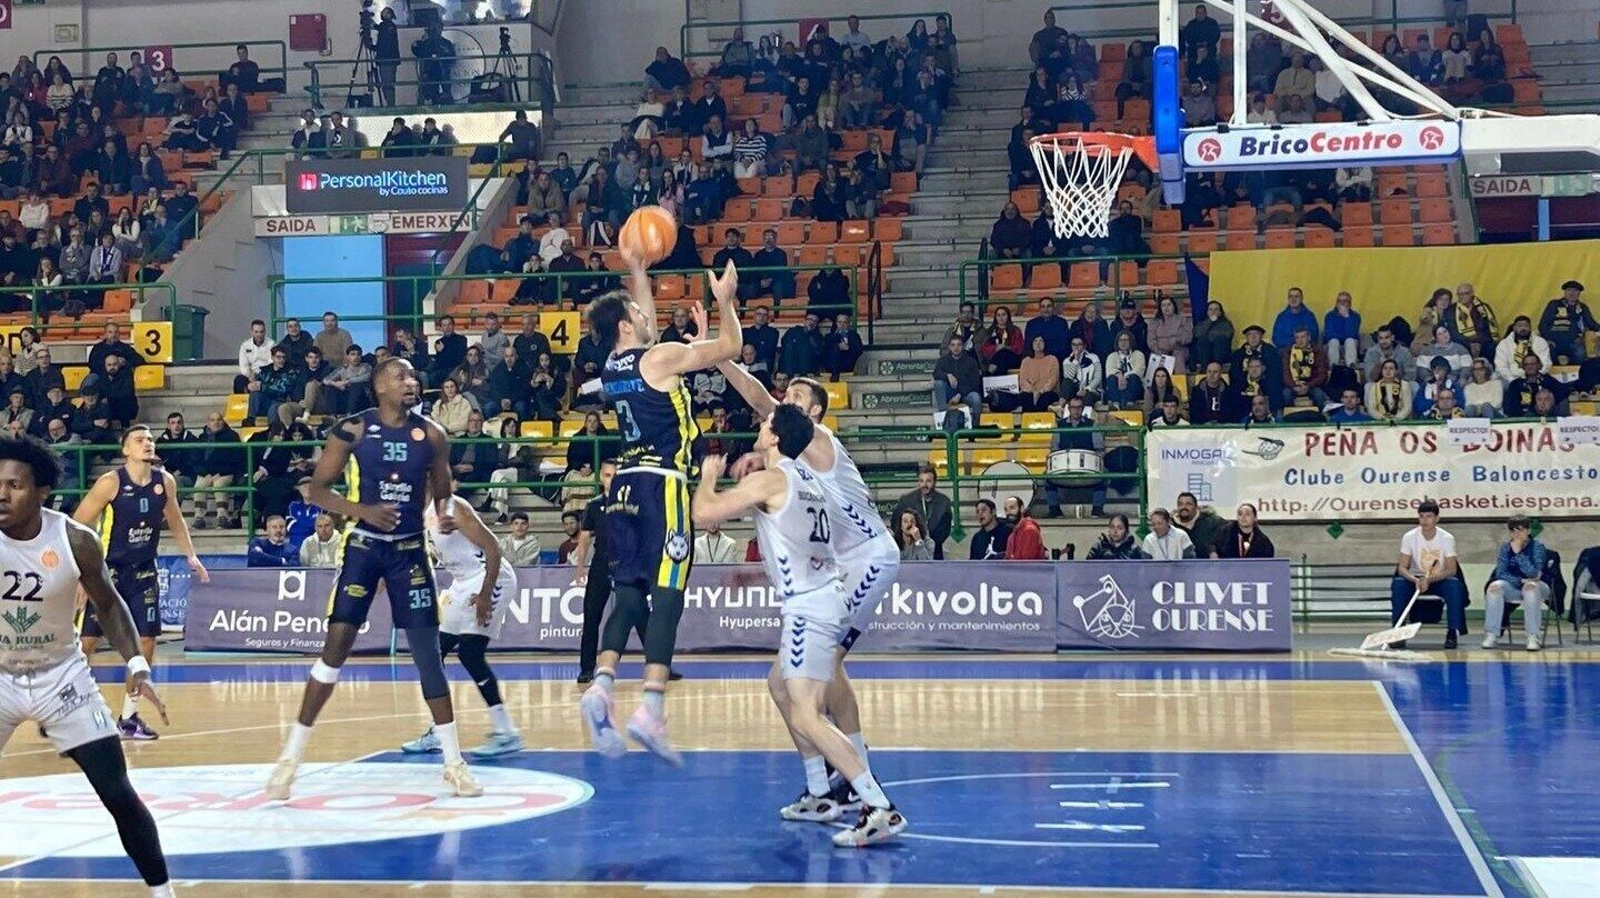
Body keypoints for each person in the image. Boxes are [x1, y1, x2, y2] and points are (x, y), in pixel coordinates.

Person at [266, 358, 481, 800]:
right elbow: (319, 490)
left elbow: (443, 493)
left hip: (409, 552)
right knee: (334, 652)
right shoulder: (353, 430)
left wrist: (441, 515)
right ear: (380, 386)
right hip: (363, 547)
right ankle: (290, 758)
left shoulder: (433, 434)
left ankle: (454, 764)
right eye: (401, 376)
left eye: (413, 375)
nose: (412, 380)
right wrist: (363, 512)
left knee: (429, 659)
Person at [692, 407, 907, 846]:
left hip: (809, 606)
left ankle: (877, 804)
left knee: (807, 715)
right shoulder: (807, 479)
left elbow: (705, 514)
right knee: (778, 686)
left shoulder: (773, 480)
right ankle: (819, 793)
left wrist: (708, 476)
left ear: (774, 437)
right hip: (822, 596)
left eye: (765, 424)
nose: (758, 426)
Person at [578, 254, 742, 762]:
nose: (649, 315)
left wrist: (639, 271)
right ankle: (650, 706)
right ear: (627, 322)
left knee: (627, 589)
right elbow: (732, 348)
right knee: (668, 590)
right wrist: (725, 303)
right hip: (662, 484)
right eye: (639, 311)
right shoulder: (661, 357)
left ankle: (601, 686)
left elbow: (642, 324)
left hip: (622, 485)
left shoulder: (613, 366)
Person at [0, 435, 178, 898]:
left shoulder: (75, 540)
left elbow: (110, 604)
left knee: (117, 792)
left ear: (41, 492)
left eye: (14, 485)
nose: (1, 493)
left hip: (61, 676)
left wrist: (136, 661)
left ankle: (163, 892)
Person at [73, 425, 208, 740]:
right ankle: (69, 709)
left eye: (149, 439)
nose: (147, 444)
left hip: (144, 569)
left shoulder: (165, 482)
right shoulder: (110, 484)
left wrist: (191, 556)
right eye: (139, 440)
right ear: (125, 450)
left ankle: (129, 718)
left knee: (147, 641)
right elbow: (78, 526)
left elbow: (175, 520)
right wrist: (81, 572)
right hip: (106, 572)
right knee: (87, 644)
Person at [401, 494, 523, 758]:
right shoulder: (419, 513)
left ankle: (506, 732)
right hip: (461, 582)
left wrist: (485, 595)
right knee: (432, 654)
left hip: (490, 575)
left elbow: (494, 549)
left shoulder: (453, 507)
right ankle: (439, 730)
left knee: (470, 653)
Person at [1390, 499, 1466, 649]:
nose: (1425, 520)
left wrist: (1429, 580)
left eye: (1429, 516)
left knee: (1454, 587)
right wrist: (1415, 580)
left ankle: (1452, 633)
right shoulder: (1409, 537)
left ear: (1437, 519)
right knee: (1399, 585)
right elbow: (1402, 568)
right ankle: (1398, 633)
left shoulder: (1446, 538)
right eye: (1421, 516)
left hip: (1439, 579)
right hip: (1415, 579)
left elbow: (1451, 569)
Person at [1482, 515, 1550, 652]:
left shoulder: (1537, 546)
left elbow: (1534, 574)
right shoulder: (1505, 547)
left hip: (1539, 587)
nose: (1516, 534)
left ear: (1528, 531)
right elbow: (1500, 573)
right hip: (1515, 585)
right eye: (1513, 531)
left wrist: (1518, 553)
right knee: (1494, 587)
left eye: (1520, 530)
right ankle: (1492, 634)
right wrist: (1519, 581)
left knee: (1530, 588)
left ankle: (1533, 636)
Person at [892, 466, 952, 560]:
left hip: (934, 550)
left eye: (928, 481)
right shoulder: (906, 500)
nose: (924, 485)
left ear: (935, 482)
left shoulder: (944, 502)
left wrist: (925, 542)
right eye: (921, 481)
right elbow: (895, 523)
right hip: (908, 551)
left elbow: (945, 530)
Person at [1538, 280, 1595, 365]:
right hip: (1554, 342)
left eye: (1575, 290)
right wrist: (1548, 339)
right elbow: (1543, 325)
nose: (1572, 293)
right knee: (1546, 361)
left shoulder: (1582, 307)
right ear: (1564, 292)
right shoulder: (1554, 304)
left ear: (1579, 293)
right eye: (1569, 290)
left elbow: (1591, 324)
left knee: (1582, 359)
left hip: (1573, 342)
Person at [1173, 491, 1223, 557]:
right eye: (1180, 504)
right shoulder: (1171, 526)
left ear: (1196, 507)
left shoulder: (1212, 522)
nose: (1184, 507)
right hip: (1180, 566)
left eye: (1188, 504)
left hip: (1207, 566)